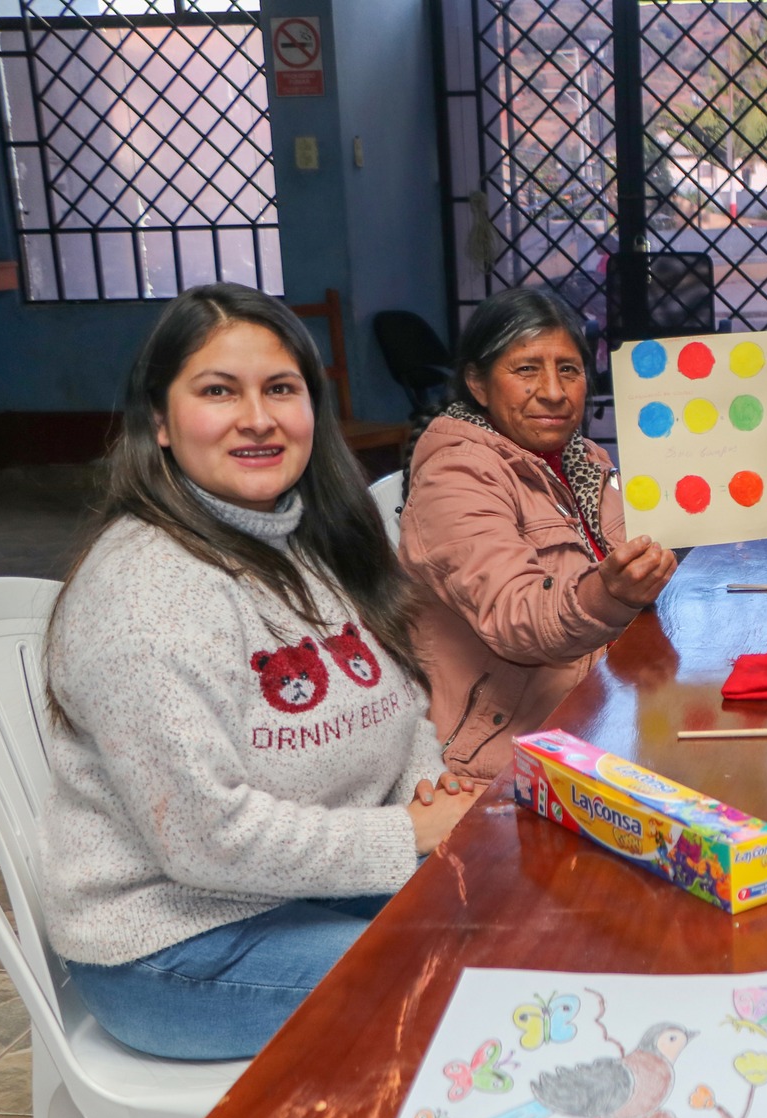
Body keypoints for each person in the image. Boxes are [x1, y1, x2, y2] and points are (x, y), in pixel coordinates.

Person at [41, 284, 475, 1062]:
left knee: (512, 911)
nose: (258, 417)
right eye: (218, 391)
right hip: (177, 944)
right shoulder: (146, 592)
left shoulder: (307, 537)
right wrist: (408, 832)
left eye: (281, 388)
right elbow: (206, 840)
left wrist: (422, 786)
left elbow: (401, 701)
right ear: (162, 424)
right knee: (451, 985)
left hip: (303, 884)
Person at [400, 286, 677, 780]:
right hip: (510, 756)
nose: (553, 391)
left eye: (568, 370)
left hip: (603, 709)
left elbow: (635, 572)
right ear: (478, 385)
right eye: (526, 369)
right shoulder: (456, 476)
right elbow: (516, 619)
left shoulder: (586, 461)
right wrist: (608, 592)